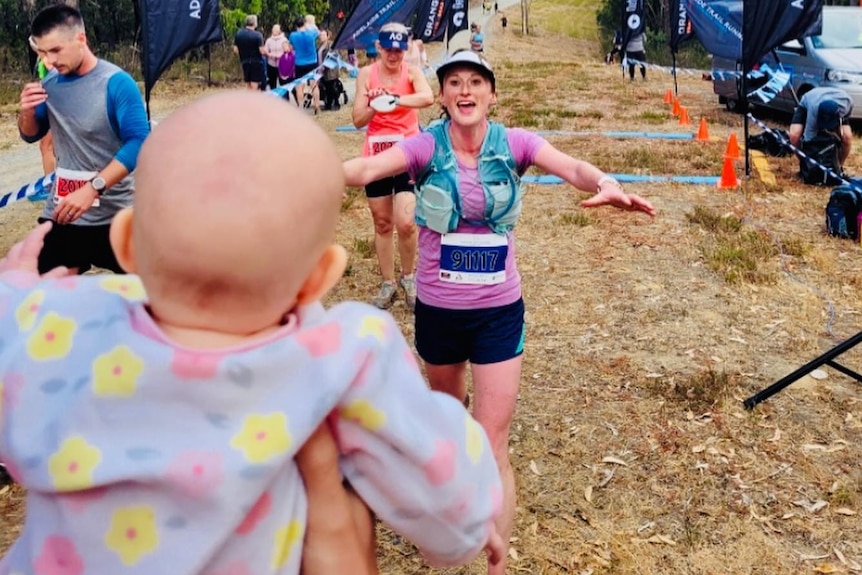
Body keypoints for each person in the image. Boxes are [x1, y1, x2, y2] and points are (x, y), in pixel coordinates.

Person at [0, 91, 504, 574]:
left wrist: (18, 289)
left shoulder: (56, 327)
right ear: (316, 280)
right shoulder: (337, 359)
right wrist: (474, 516)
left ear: (127, 245)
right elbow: (447, 502)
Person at [344, 49, 656, 575]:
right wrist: (303, 169)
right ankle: (447, 529)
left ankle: (497, 562)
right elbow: (370, 167)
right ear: (441, 96)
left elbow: (571, 166)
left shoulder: (515, 144)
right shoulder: (424, 145)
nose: (465, 91)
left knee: (491, 439)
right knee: (447, 431)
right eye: (454, 83)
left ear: (491, 92)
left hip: (497, 313)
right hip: (439, 313)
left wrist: (605, 182)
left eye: (475, 82)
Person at [17, 3, 149, 276]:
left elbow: (138, 142)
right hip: (64, 212)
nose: (48, 61)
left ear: (81, 39)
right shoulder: (49, 84)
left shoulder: (116, 82)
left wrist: (92, 188)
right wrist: (27, 111)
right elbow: (30, 135)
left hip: (117, 214)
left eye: (55, 50)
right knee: (41, 293)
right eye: (41, 52)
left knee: (150, 302)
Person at [351, 23, 434, 311]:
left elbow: (427, 97)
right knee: (382, 222)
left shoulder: (411, 73)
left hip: (406, 153)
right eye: (389, 49)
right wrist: (376, 105)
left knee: (406, 221)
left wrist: (395, 100)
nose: (394, 55)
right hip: (376, 155)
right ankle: (388, 283)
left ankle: (409, 278)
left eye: (399, 50)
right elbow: (358, 119)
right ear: (378, 47)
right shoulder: (366, 74)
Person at [789, 86, 854, 167]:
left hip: (834, 105)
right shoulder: (813, 109)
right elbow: (809, 138)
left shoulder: (846, 104)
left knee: (847, 137)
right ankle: (805, 165)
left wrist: (839, 133)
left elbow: (845, 117)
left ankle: (839, 166)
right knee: (794, 136)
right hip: (808, 102)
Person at [290, 15, 321, 113]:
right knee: (314, 85)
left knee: (299, 86)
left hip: (299, 63)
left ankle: (300, 108)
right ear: (304, 23)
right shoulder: (311, 33)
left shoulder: (293, 35)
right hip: (312, 62)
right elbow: (319, 32)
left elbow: (291, 46)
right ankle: (317, 106)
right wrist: (309, 25)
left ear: (296, 25)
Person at [233, 14, 266, 90]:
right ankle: (253, 101)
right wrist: (268, 53)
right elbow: (262, 51)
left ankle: (248, 100)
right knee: (254, 84)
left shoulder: (239, 34)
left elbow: (235, 50)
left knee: (248, 84)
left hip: (244, 61)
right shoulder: (258, 35)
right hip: (256, 62)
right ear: (255, 23)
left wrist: (243, 52)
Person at [264, 23, 288, 91]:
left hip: (282, 64)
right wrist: (269, 54)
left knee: (283, 83)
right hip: (271, 64)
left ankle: (285, 99)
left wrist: (281, 56)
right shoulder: (269, 40)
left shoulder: (284, 40)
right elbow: (266, 50)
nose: (274, 31)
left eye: (276, 30)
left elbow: (287, 50)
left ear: (279, 31)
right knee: (272, 83)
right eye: (273, 29)